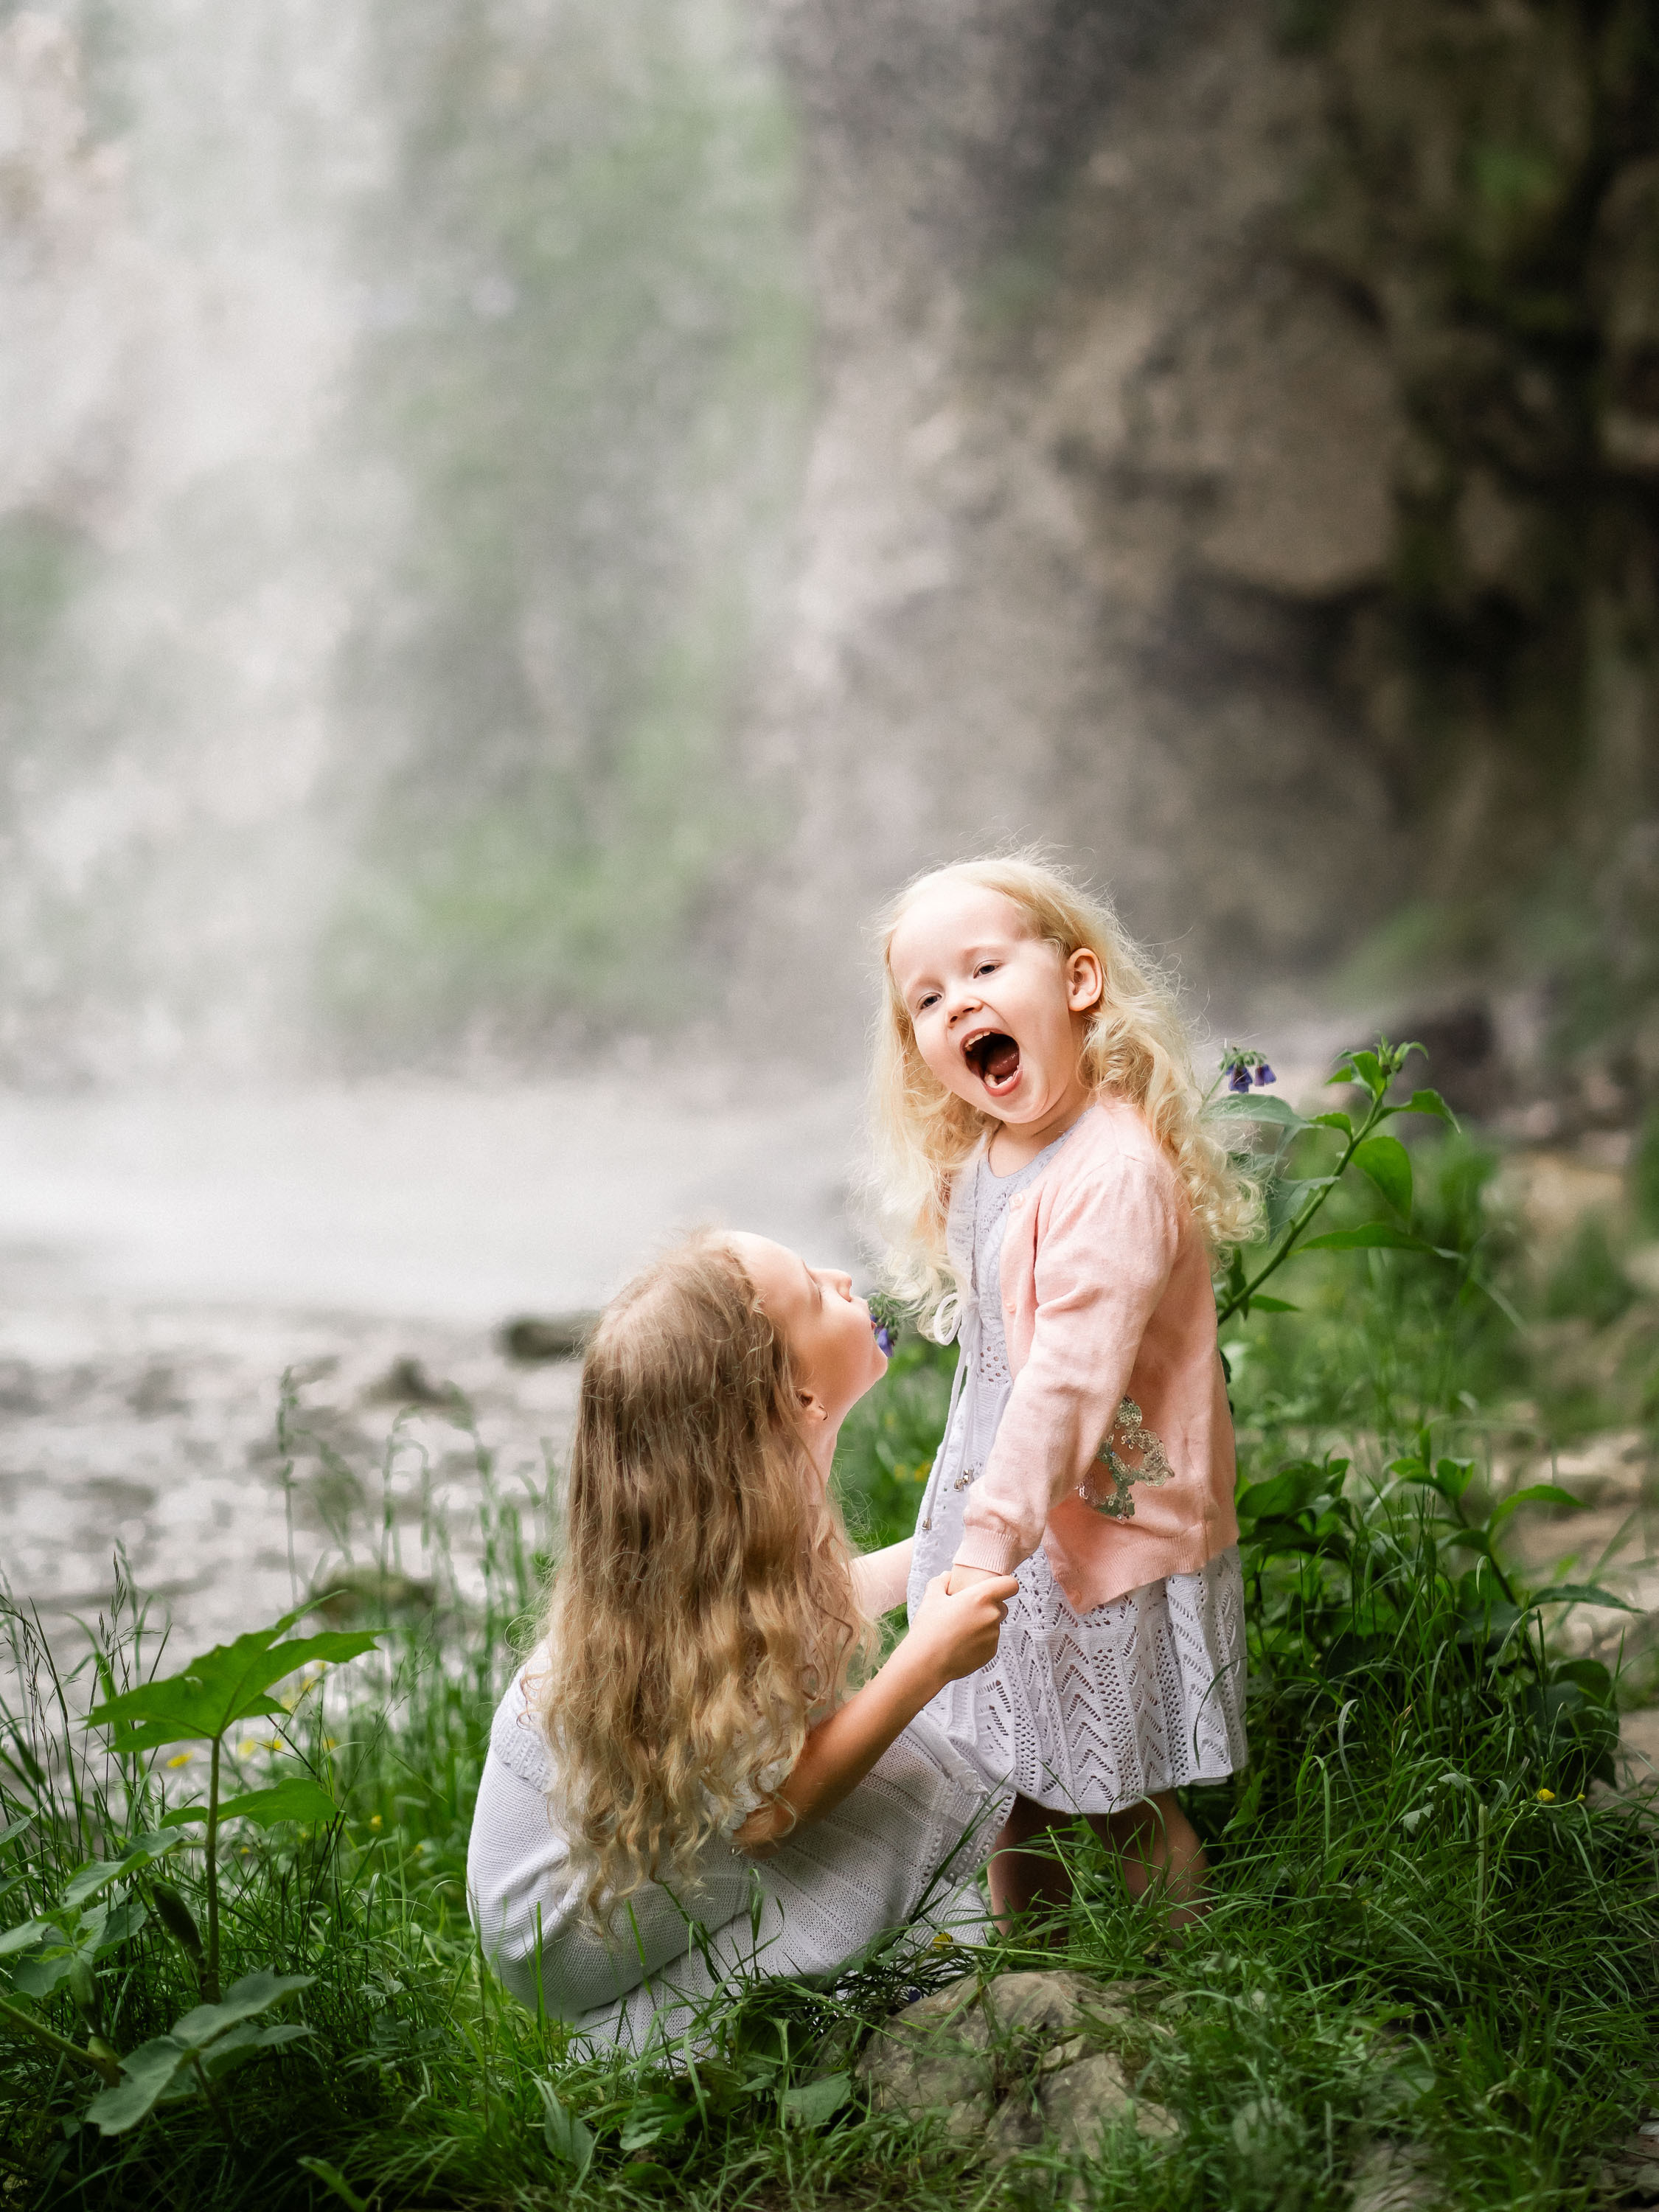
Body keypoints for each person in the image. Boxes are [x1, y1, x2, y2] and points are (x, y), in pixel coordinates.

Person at [466, 1230, 1020, 2048]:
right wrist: (924, 1661)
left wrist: (964, 1545)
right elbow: (765, 1814)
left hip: (626, 1869)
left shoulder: (726, 1550)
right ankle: (660, 2028)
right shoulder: (693, 1621)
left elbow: (807, 1616)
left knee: (902, 1768)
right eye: (814, 1291)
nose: (843, 1277)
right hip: (569, 1930)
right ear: (798, 1400)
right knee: (912, 1778)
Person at [870, 852, 1256, 1931]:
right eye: (929, 1000)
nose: (961, 1004)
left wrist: (987, 1539)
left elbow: (1072, 1379)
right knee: (1015, 1788)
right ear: (921, 1055)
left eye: (985, 967)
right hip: (1016, 1521)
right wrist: (980, 1528)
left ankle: (1184, 1991)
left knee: (1123, 1795)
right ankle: (1028, 1976)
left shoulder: (1112, 1171)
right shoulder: (993, 1156)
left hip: (1099, 1533)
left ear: (1077, 984)